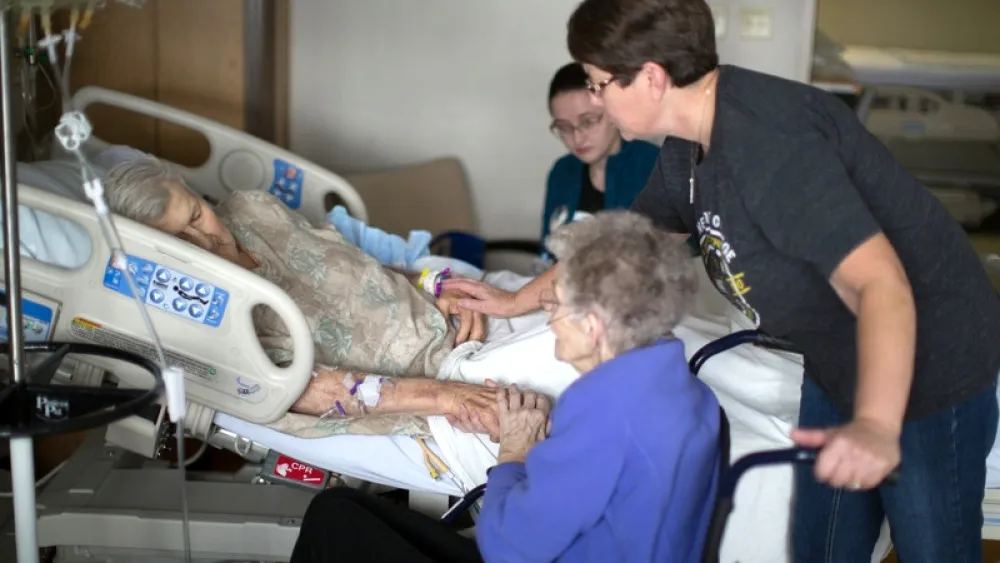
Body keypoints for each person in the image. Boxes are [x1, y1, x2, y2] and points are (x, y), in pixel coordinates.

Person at [443, 1, 1000, 561]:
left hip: (927, 361)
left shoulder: (770, 144)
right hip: (836, 354)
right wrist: (515, 300)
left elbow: (883, 285)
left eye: (598, 84)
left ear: (653, 78)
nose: (594, 99)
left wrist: (879, 425)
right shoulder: (688, 148)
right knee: (823, 546)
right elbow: (625, 242)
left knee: (933, 549)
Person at [290, 210, 720, 563]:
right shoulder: (679, 384)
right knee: (341, 510)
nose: (547, 313)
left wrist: (513, 452)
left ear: (592, 325)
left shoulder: (602, 411)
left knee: (332, 524)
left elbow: (507, 548)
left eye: (555, 303)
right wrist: (539, 448)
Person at [103, 157, 500, 439]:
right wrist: (448, 395)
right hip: (439, 377)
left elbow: (353, 265)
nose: (206, 239)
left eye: (195, 215)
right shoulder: (209, 315)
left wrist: (429, 285)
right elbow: (304, 390)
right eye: (181, 241)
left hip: (458, 325)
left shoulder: (252, 208)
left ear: (194, 192)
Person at [541, 62, 659, 244]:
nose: (577, 138)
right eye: (564, 127)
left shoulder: (654, 166)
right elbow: (548, 250)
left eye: (588, 121)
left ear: (611, 110)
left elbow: (673, 252)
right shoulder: (562, 172)